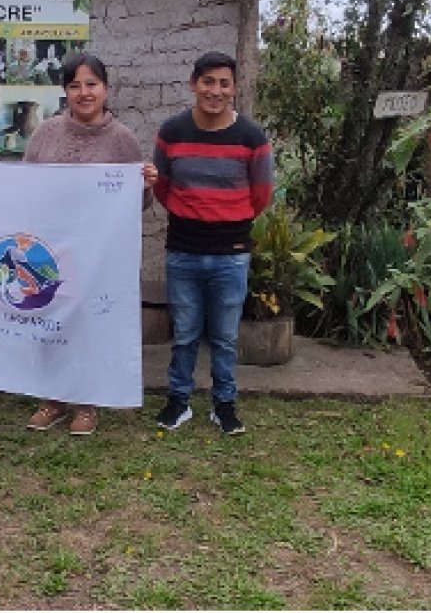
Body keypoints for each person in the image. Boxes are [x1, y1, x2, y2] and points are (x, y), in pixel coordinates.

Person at [19, 54, 147, 436]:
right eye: (75, 85)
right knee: (50, 321)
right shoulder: (46, 133)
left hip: (98, 252)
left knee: (89, 324)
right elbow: (24, 186)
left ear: (105, 89)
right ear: (65, 91)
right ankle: (53, 399)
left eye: (91, 84)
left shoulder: (122, 139)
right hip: (50, 247)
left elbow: (137, 204)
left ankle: (86, 403)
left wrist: (145, 185)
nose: (84, 93)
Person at [148, 51, 272, 436]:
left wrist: (226, 222)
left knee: (224, 337)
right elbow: (163, 190)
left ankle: (224, 405)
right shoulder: (171, 133)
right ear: (193, 84)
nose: (215, 91)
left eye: (223, 83)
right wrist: (194, 215)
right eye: (207, 82)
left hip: (231, 256)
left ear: (234, 89)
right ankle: (178, 401)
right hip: (183, 251)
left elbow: (261, 195)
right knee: (183, 334)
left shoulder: (252, 137)